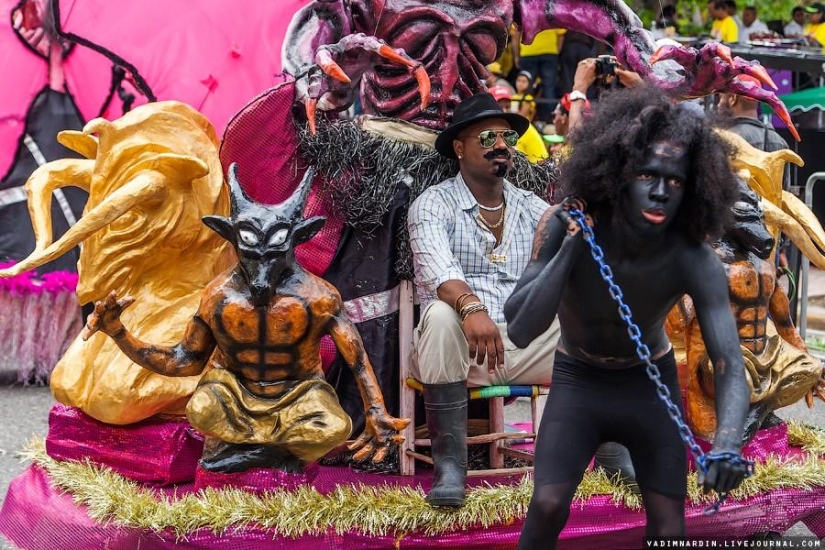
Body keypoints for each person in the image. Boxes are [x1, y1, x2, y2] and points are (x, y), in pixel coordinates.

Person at [505, 87, 750, 547]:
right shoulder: (566, 222)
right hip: (579, 381)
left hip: (648, 386)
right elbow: (520, 328)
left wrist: (727, 444)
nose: (659, 192)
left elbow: (731, 365)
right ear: (619, 173)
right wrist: (572, 250)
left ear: (693, 185)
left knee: (670, 527)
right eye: (646, 174)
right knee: (548, 505)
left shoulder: (692, 256)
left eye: (675, 181)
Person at [407, 92, 560, 507]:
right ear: (459, 148)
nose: (500, 146)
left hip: (521, 347)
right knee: (440, 315)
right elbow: (440, 272)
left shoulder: (533, 208)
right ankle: (450, 469)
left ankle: (611, 452)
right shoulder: (432, 204)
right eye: (488, 137)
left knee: (589, 318)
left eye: (507, 139)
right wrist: (472, 308)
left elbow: (563, 265)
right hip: (456, 352)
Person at [514, 28, 566, 122]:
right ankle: (550, 121)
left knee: (525, 87)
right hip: (549, 51)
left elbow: (516, 34)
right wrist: (556, 52)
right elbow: (561, 35)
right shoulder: (552, 13)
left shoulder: (524, 13)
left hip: (528, 51)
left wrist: (516, 55)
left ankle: (523, 120)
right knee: (549, 88)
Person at [489, 85, 549, 162]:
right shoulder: (480, 131)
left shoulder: (525, 128)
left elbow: (542, 161)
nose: (504, 111)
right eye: (500, 107)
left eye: (507, 107)